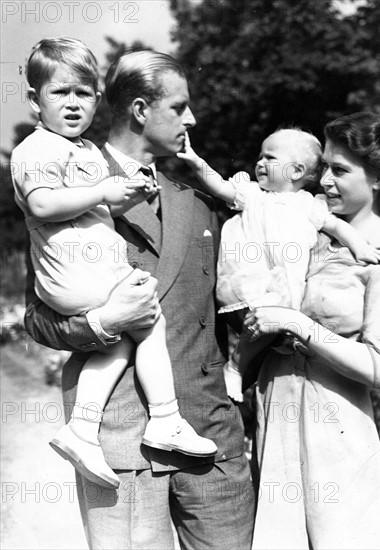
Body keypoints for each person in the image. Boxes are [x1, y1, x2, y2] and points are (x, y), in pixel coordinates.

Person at [24, 49, 255, 549]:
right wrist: (104, 322)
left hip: (211, 437)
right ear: (140, 110)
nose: (191, 119)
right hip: (120, 439)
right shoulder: (68, 174)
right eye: (179, 106)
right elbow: (38, 317)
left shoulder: (195, 194)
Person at [11, 38, 217, 491]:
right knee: (142, 320)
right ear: (33, 100)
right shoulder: (38, 149)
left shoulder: (86, 153)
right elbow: (43, 205)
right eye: (59, 93)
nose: (72, 104)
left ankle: (85, 427)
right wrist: (106, 192)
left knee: (131, 333)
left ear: (97, 100)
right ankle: (161, 418)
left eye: (83, 94)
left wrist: (121, 202)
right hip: (76, 279)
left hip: (92, 274)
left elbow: (93, 214)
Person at [243, 112, 380, 549]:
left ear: (378, 178)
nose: (324, 180)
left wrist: (298, 324)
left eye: (340, 170)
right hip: (276, 419)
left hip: (334, 431)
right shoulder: (305, 233)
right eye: (323, 166)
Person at [178, 128, 380, 401]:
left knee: (273, 324)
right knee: (266, 320)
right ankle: (236, 368)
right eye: (260, 157)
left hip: (282, 290)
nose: (260, 163)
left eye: (269, 158)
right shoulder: (252, 194)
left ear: (296, 171)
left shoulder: (308, 205)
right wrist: (194, 160)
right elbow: (219, 185)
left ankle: (238, 371)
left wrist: (359, 246)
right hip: (248, 283)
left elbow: (336, 227)